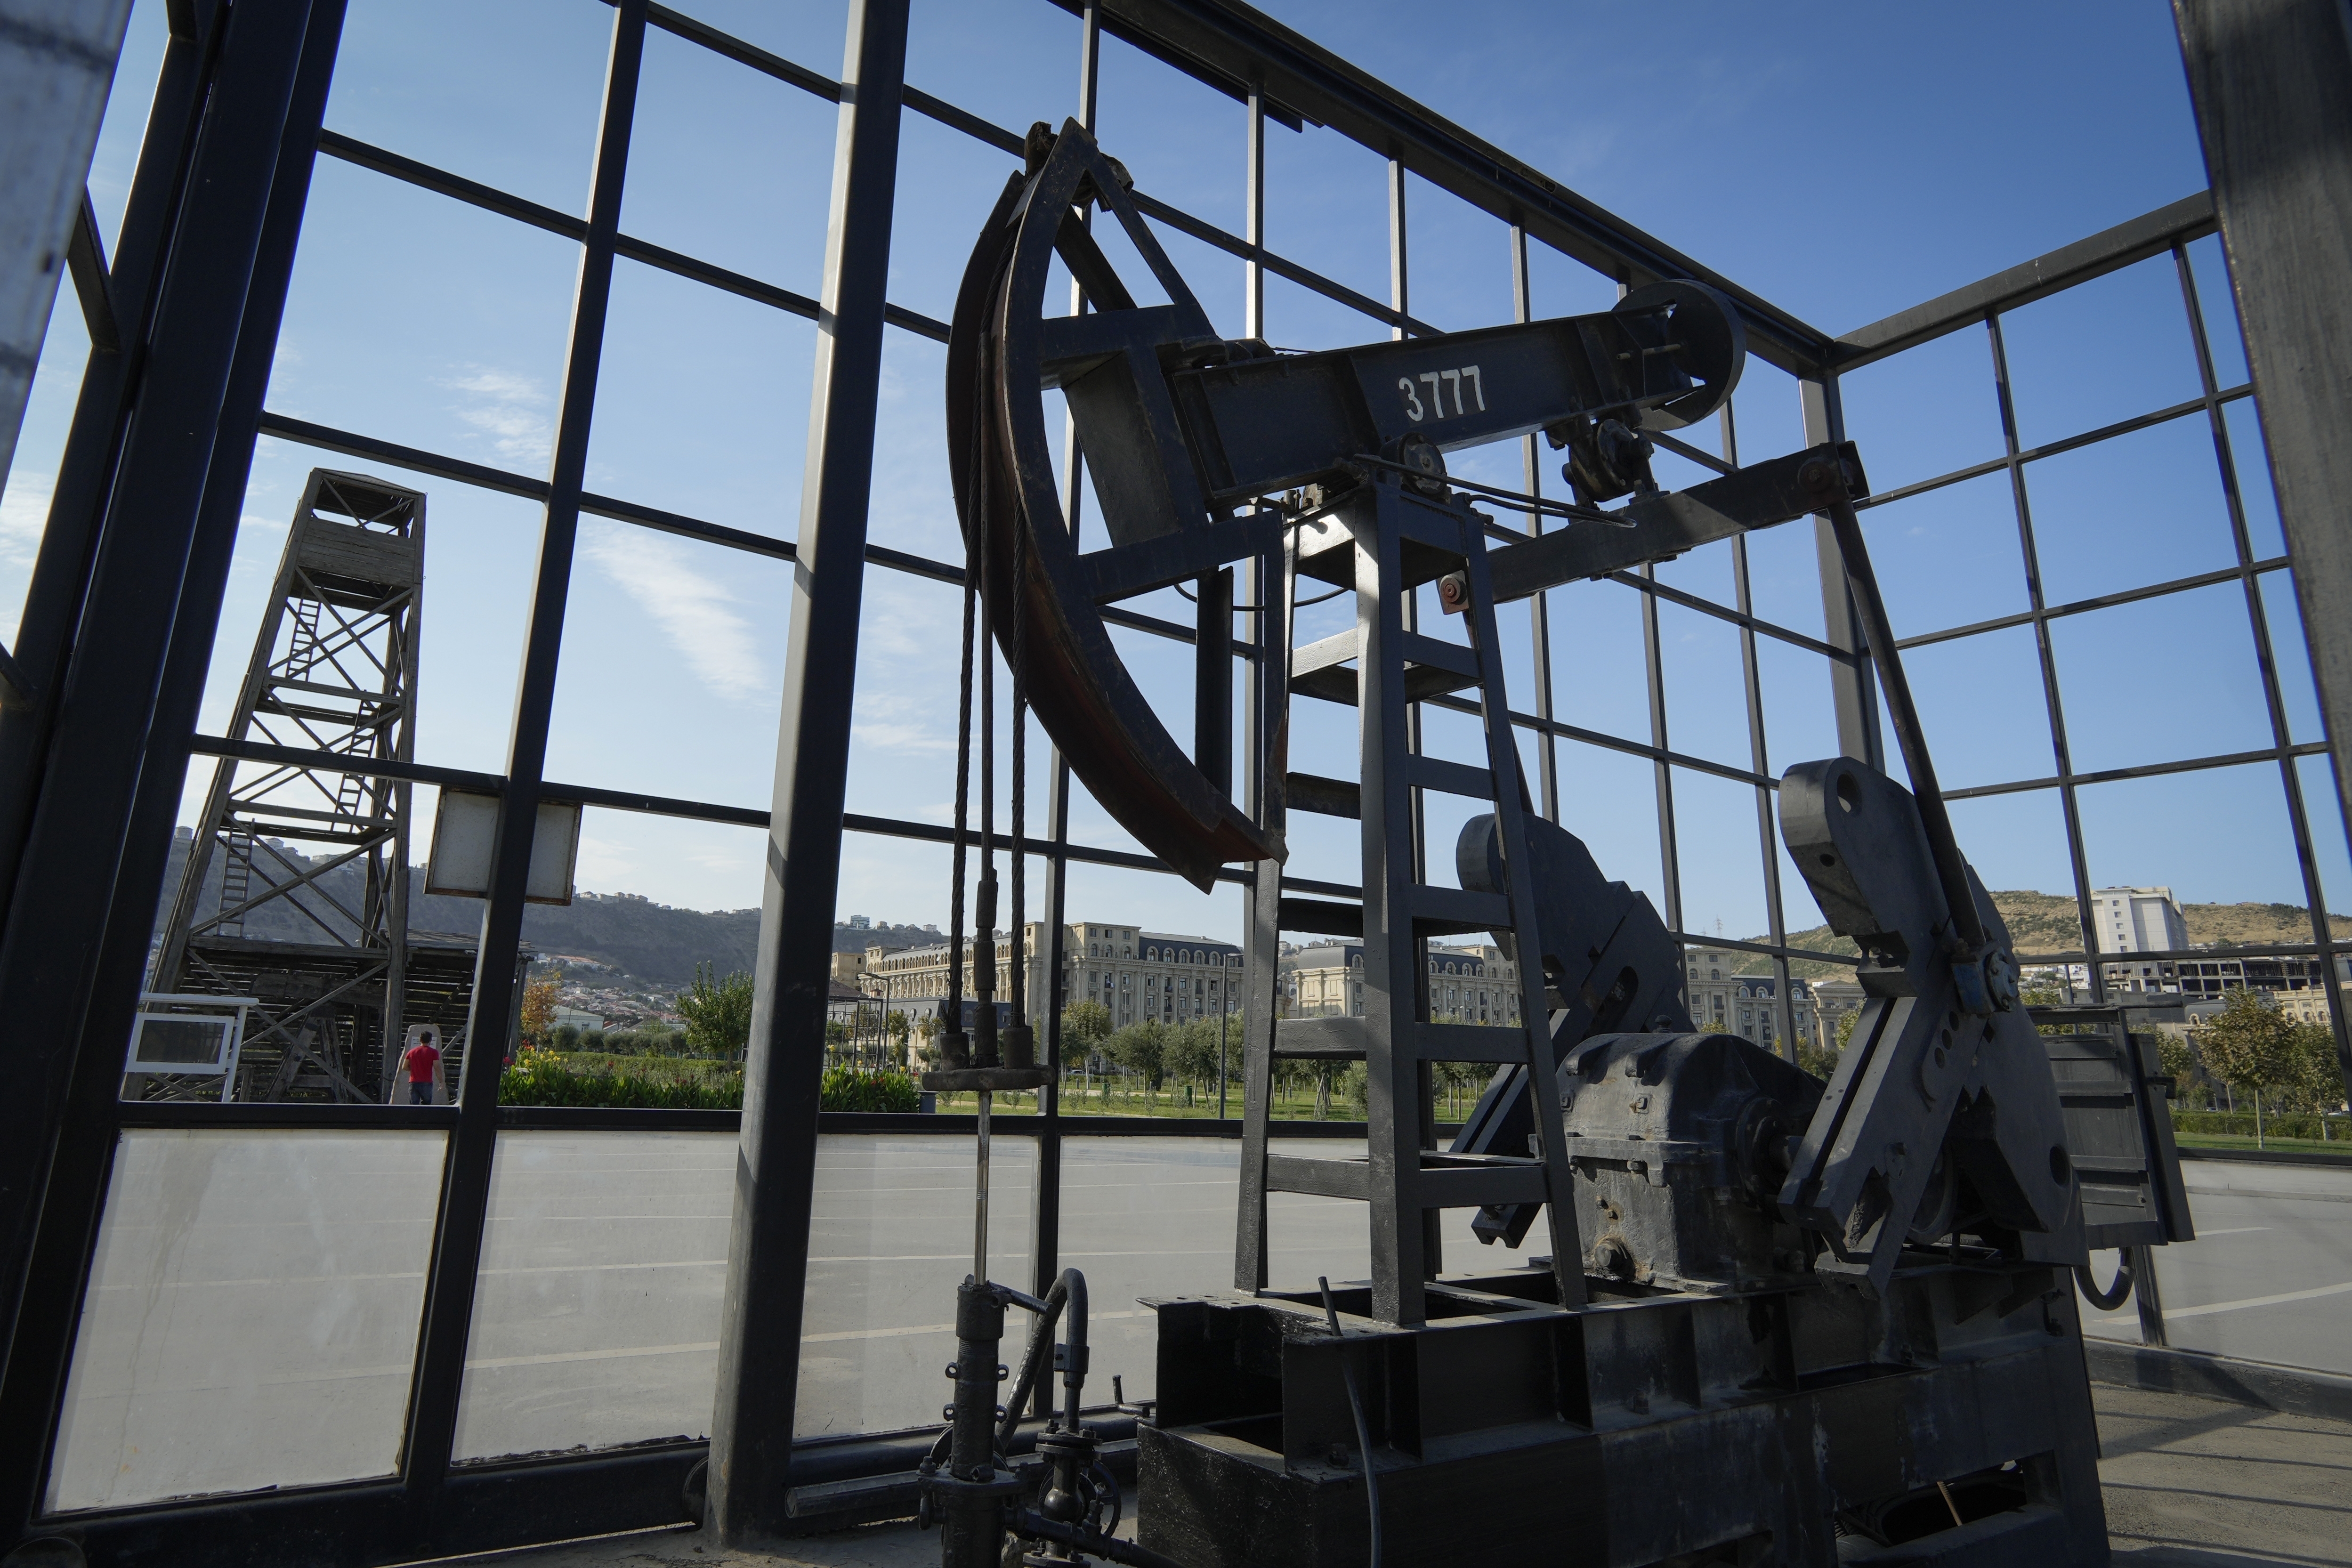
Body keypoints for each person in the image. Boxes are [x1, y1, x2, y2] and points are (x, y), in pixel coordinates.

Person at [402, 1026, 441, 1105]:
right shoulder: (434, 1052)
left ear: (420, 1040)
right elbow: (437, 1067)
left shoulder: (411, 1052)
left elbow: (404, 1067)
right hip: (427, 1082)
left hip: (413, 1082)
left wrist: (414, 1070)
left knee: (413, 1106)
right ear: (430, 1040)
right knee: (426, 1107)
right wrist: (441, 1081)